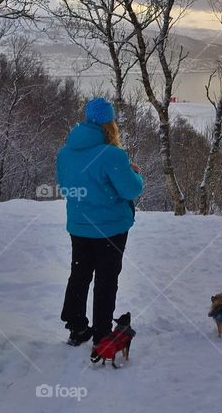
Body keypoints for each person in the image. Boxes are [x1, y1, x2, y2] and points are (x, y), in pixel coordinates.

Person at [57, 97, 144, 346]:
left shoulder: (65, 153)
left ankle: (76, 328)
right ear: (109, 124)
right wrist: (135, 173)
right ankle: (102, 334)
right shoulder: (112, 155)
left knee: (80, 274)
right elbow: (130, 190)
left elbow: (65, 185)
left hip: (79, 226)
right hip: (110, 228)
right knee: (106, 279)